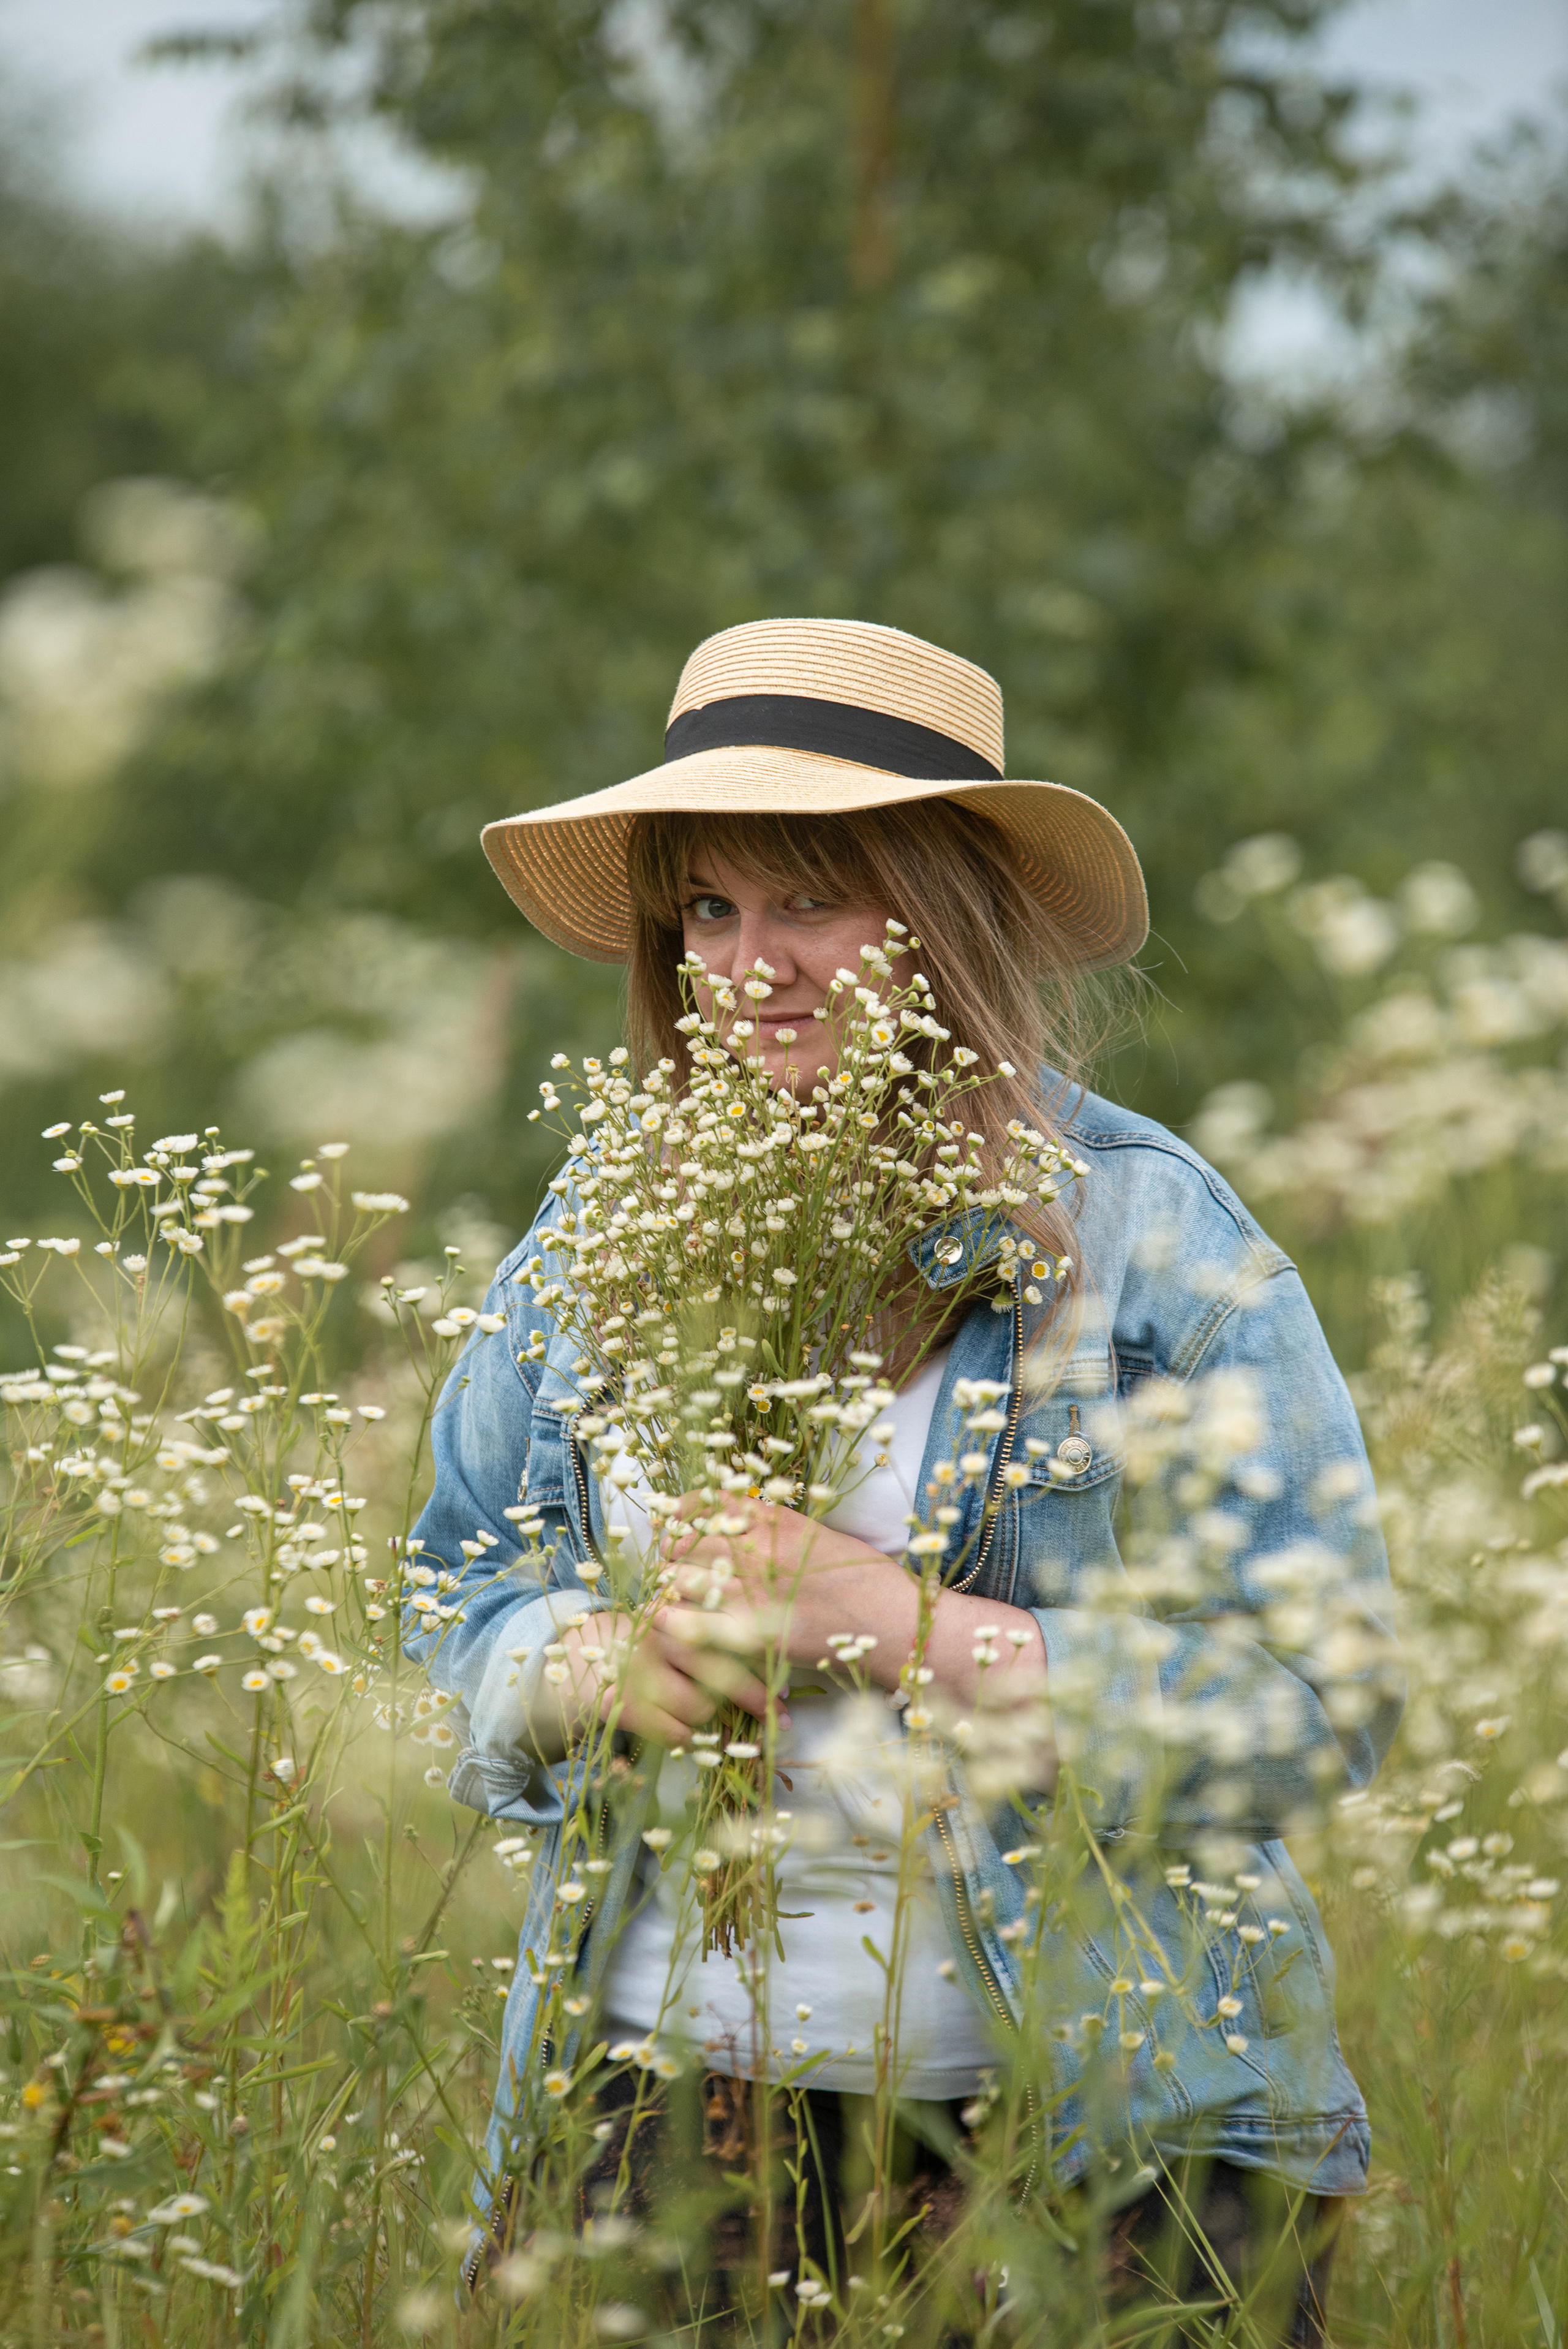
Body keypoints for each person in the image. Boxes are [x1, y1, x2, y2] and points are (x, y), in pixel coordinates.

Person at [409, 618, 1403, 2339]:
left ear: (945, 918)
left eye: (810, 899)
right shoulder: (600, 1225)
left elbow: (1323, 1699)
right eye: (708, 910)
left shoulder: (1153, 1238)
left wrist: (902, 1622)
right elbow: (459, 1591)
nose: (752, 964)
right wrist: (593, 1669)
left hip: (1103, 2140)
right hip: (667, 2114)